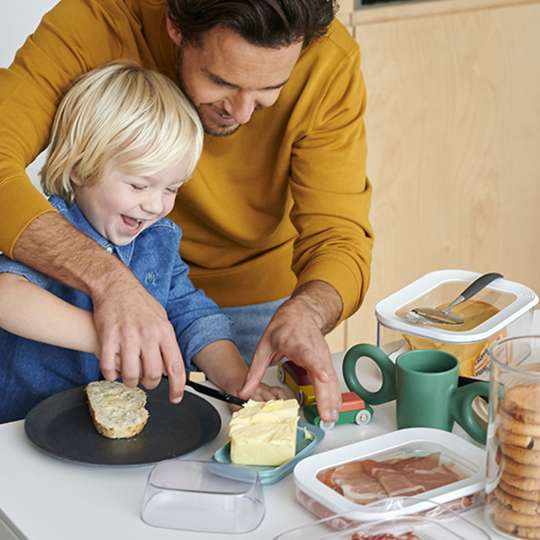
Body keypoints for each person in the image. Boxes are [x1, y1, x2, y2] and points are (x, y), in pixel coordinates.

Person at [0, 1, 374, 423]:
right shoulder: (97, 17)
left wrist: (299, 319)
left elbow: (338, 235)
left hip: (243, 313)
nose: (243, 113)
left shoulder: (160, 242)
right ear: (175, 26)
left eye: (271, 88)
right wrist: (113, 303)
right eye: (220, 80)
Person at [0, 61, 286, 423]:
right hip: (25, 429)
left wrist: (237, 381)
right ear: (79, 167)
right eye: (138, 185)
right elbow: (7, 296)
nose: (155, 205)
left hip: (122, 434)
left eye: (171, 189)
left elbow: (192, 316)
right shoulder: (50, 229)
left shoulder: (159, 239)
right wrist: (114, 335)